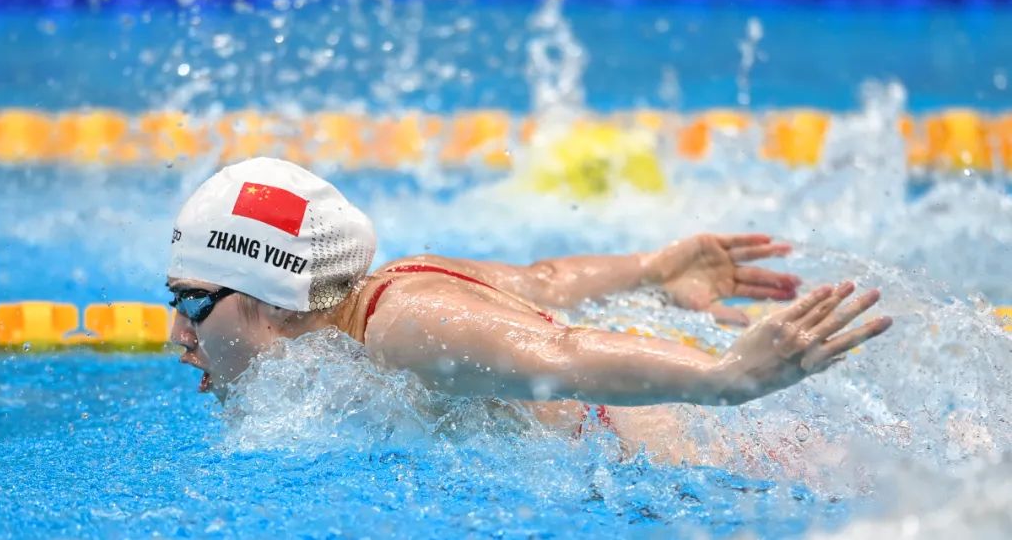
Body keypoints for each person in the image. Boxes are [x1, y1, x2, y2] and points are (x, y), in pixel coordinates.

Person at [167, 158, 893, 443]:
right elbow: (544, 280)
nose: (177, 335)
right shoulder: (400, 280)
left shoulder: (405, 325)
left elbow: (563, 353)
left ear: (282, 301)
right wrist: (650, 268)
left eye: (196, 304)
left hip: (699, 463)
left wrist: (725, 379)